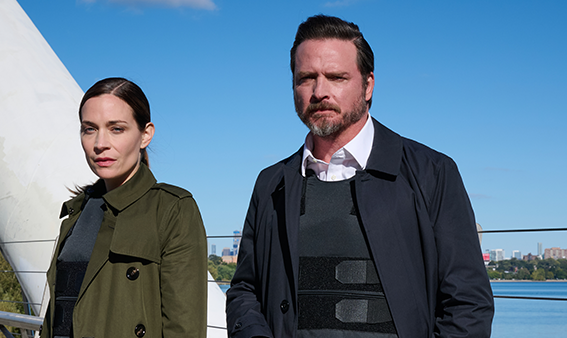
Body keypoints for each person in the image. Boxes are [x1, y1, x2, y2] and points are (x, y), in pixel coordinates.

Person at [225, 15, 494, 338]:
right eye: (306, 78)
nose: (319, 91)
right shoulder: (271, 184)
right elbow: (244, 289)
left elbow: (467, 304)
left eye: (336, 77)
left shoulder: (432, 173)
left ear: (368, 85)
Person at [43, 77, 207, 337]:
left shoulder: (172, 210)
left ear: (145, 134)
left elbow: (184, 328)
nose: (100, 144)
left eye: (116, 129)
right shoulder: (76, 212)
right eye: (89, 129)